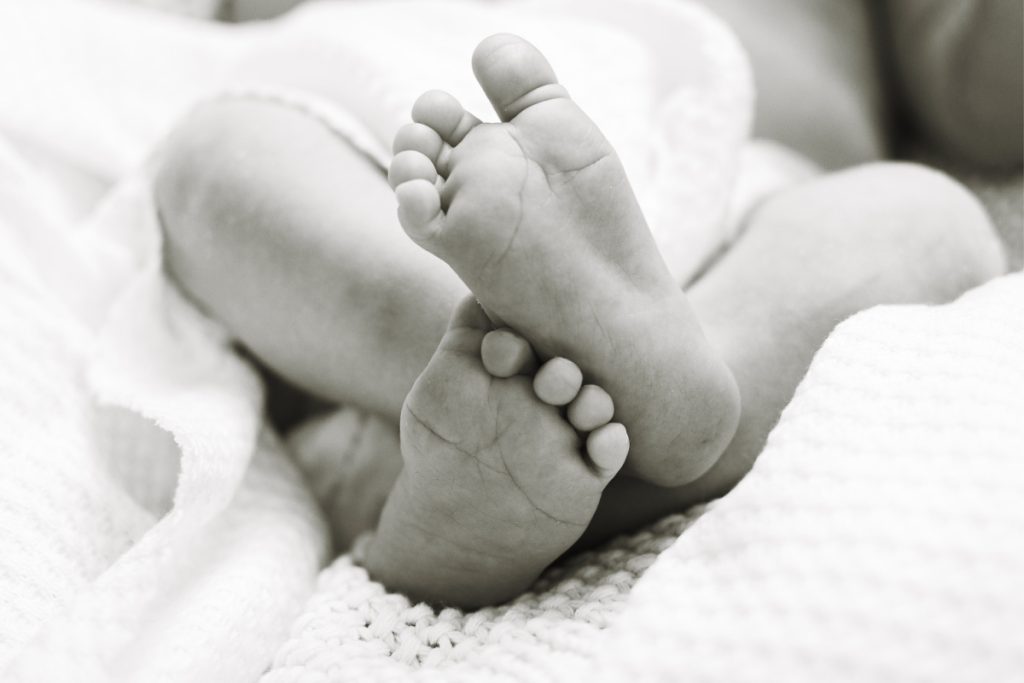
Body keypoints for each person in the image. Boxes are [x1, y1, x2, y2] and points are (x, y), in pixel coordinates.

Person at [154, 13, 1008, 606]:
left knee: (930, 219)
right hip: (402, 152)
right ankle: (513, 371)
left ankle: (526, 442)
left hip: (732, 201)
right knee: (216, 156)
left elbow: (985, 93)